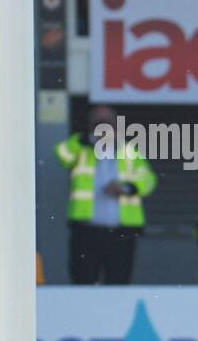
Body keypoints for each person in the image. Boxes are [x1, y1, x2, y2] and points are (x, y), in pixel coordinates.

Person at [56, 104, 157, 285]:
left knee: (119, 282)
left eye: (108, 123)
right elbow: (62, 155)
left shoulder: (128, 151)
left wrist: (126, 188)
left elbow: (149, 180)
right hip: (86, 231)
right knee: (83, 280)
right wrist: (83, 139)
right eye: (99, 123)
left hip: (122, 232)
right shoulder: (80, 148)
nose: (104, 128)